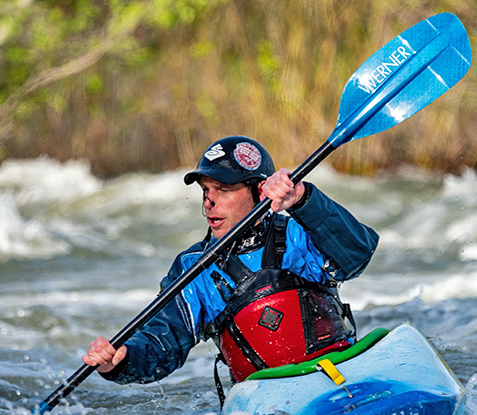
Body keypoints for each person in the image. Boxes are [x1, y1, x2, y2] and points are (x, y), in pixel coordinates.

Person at [83, 135, 379, 389]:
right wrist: (121, 360)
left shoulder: (300, 233)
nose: (208, 202)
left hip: (338, 373)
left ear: (260, 191)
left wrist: (303, 198)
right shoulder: (194, 269)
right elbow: (164, 341)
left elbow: (357, 255)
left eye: (223, 190)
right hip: (266, 398)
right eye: (205, 191)